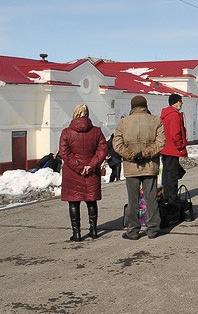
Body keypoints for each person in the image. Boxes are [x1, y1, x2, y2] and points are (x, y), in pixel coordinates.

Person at [113, 95, 166, 240]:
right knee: (151, 198)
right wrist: (146, 154)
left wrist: (132, 155)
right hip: (150, 165)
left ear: (132, 107)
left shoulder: (123, 122)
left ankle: (133, 230)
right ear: (145, 106)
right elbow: (161, 142)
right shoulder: (155, 121)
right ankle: (153, 229)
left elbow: (117, 144)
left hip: (131, 167)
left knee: (133, 199)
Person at [59, 104, 108, 242]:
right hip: (91, 172)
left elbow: (64, 153)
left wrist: (79, 167)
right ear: (87, 113)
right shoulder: (97, 131)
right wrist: (91, 165)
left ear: (74, 113)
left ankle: (77, 233)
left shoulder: (66, 132)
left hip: (72, 173)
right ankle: (93, 230)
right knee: (91, 201)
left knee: (74, 202)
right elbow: (103, 150)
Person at [160, 93, 188, 205]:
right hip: (172, 149)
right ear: (175, 102)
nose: (182, 103)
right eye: (180, 101)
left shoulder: (165, 114)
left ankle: (165, 196)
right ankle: (172, 199)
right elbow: (175, 133)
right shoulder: (174, 115)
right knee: (173, 175)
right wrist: (180, 146)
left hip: (165, 148)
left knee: (166, 174)